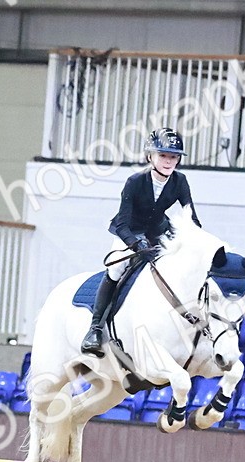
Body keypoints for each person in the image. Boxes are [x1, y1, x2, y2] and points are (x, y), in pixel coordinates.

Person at [80, 127, 203, 355]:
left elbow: (191, 217)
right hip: (128, 232)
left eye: (173, 157)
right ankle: (95, 328)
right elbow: (122, 224)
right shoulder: (135, 181)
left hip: (158, 231)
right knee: (117, 268)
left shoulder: (180, 181)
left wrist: (197, 243)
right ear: (150, 157)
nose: (168, 161)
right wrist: (137, 245)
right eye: (163, 155)